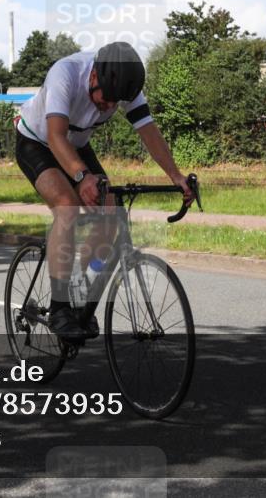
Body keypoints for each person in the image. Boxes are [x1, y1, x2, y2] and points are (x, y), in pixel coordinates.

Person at [15, 42, 194, 342]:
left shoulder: (123, 85)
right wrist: (82, 176)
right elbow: (56, 137)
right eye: (106, 98)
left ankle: (79, 291)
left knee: (111, 213)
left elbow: (148, 131)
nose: (109, 106)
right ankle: (60, 308)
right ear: (94, 76)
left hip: (76, 146)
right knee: (67, 206)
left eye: (116, 102)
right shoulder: (65, 73)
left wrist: (176, 176)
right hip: (38, 143)